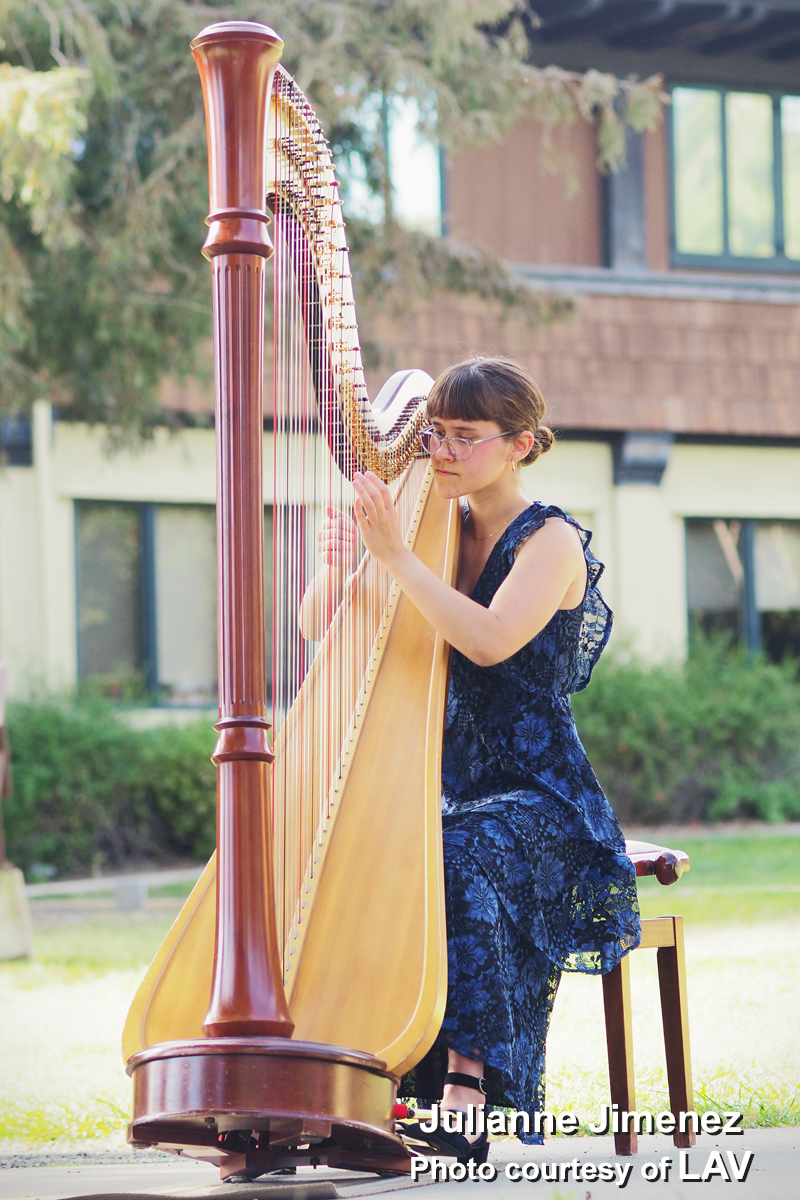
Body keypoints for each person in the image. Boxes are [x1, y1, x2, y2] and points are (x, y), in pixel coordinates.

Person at [312, 356, 641, 1164]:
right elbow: (322, 633)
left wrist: (395, 559)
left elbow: (490, 643)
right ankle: (366, 1072)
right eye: (434, 435)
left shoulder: (551, 540)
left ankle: (465, 1093)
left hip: (543, 798)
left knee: (461, 849)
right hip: (454, 784)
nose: (443, 452)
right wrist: (340, 558)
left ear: (521, 444)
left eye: (464, 437)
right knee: (380, 847)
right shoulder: (432, 530)